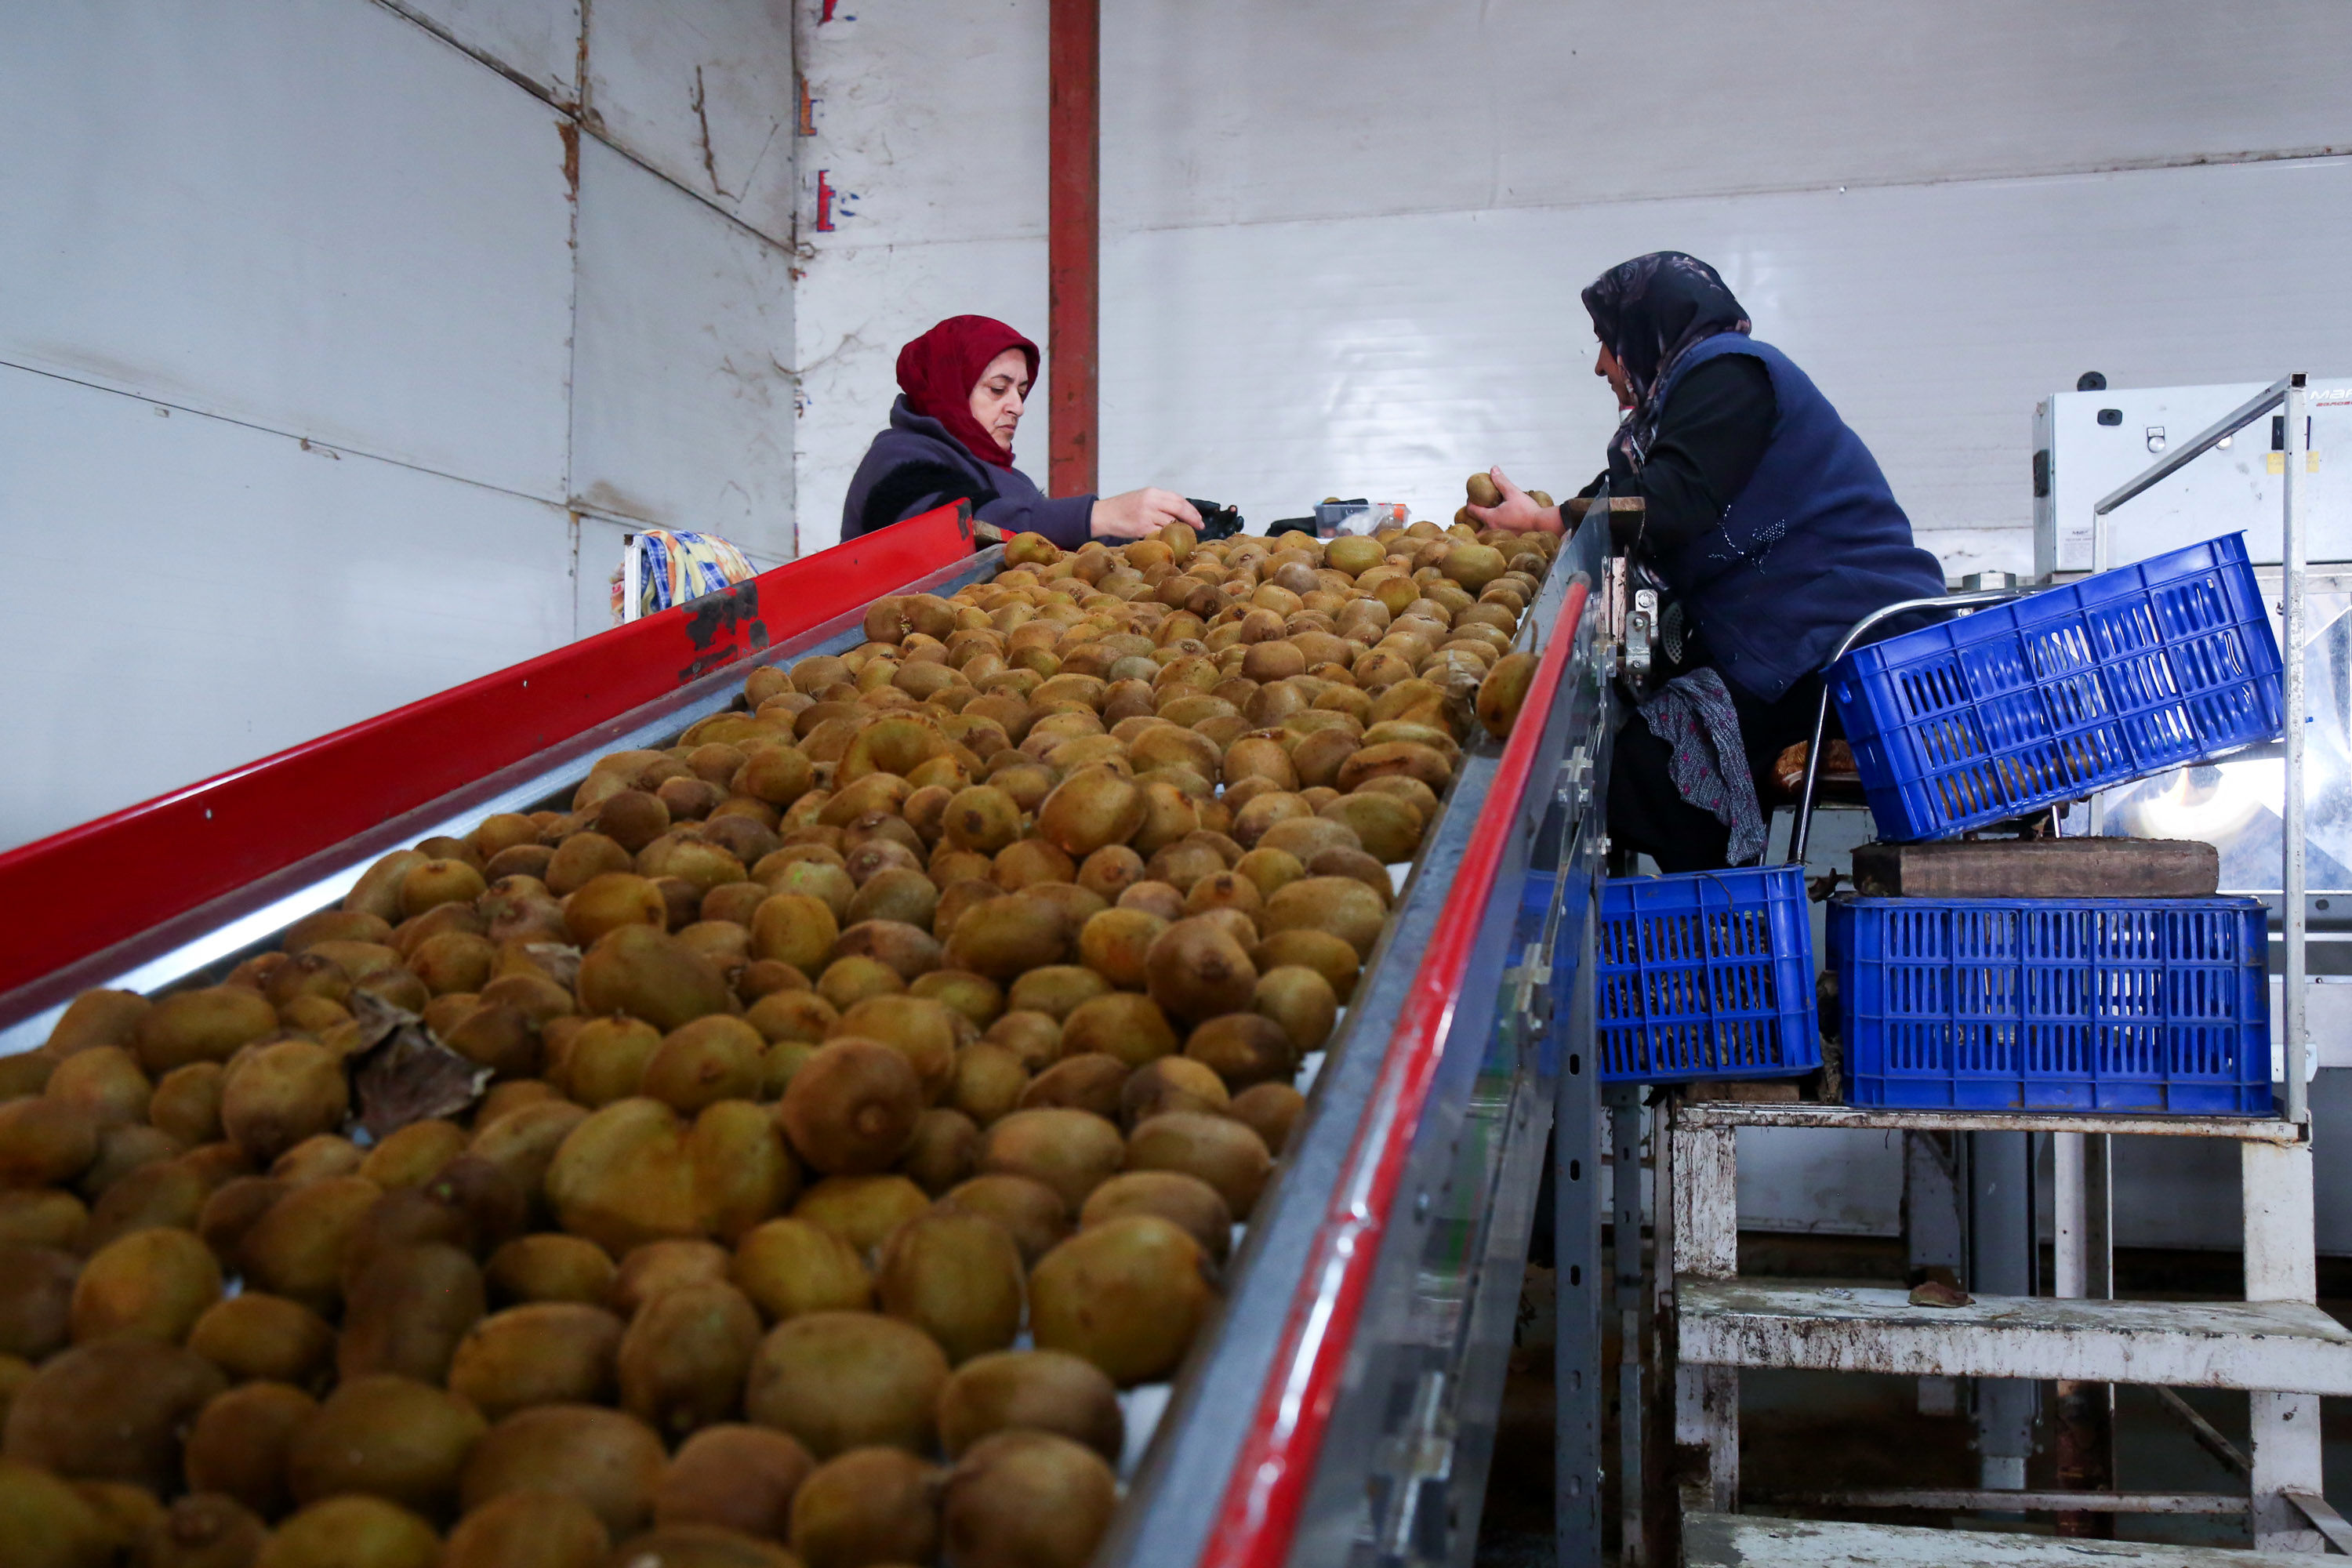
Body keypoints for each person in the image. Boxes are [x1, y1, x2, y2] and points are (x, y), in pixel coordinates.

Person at [1470, 251, 1947, 870]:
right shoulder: (1675, 410)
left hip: (1844, 640)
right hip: (1796, 635)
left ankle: (1720, 929)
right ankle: (1713, 920)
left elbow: (1669, 506)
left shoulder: (1730, 373)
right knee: (1644, 751)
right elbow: (1628, 508)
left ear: (1646, 330)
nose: (1599, 366)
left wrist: (1553, 519)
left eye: (1605, 342)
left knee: (1648, 767)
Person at [841, 315, 1200, 546]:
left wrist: (1155, 534)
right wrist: (1101, 515)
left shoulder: (1011, 481)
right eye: (998, 389)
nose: (1018, 406)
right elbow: (965, 531)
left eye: (1022, 391)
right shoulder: (898, 458)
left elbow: (1048, 547)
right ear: (948, 387)